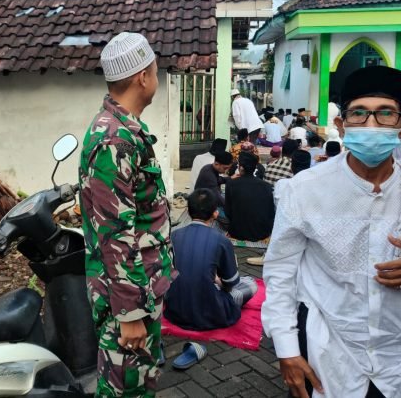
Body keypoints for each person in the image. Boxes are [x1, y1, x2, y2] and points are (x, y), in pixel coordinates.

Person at [262, 66, 401, 398]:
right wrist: (287, 350)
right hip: (334, 356)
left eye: (385, 113)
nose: (371, 124)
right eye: (359, 113)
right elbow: (280, 272)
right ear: (341, 125)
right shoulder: (303, 189)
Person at [79, 32, 176, 397]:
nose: (157, 77)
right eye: (155, 70)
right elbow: (115, 233)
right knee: (126, 389)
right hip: (128, 296)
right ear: (142, 77)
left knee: (138, 383)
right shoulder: (114, 141)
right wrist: (130, 313)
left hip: (140, 287)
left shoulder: (125, 131)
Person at [164, 188, 258, 331]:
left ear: (188, 211)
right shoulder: (222, 240)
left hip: (176, 310)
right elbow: (230, 283)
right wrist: (216, 280)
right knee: (251, 284)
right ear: (215, 213)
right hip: (212, 312)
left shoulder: (174, 235)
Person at [225, 152, 275, 242]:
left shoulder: (231, 184)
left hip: (237, 232)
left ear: (241, 168)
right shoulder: (267, 186)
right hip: (261, 233)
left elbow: (228, 212)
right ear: (255, 167)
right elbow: (270, 212)